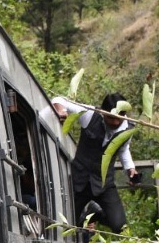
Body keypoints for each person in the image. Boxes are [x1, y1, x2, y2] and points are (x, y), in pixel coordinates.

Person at [51, 93, 141, 234]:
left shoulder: (128, 128)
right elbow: (57, 100)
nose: (115, 123)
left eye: (119, 118)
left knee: (119, 226)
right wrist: (62, 112)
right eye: (110, 118)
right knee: (68, 225)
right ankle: (81, 222)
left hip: (104, 183)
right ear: (102, 112)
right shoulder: (89, 114)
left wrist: (131, 169)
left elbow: (123, 150)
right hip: (79, 180)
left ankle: (93, 214)